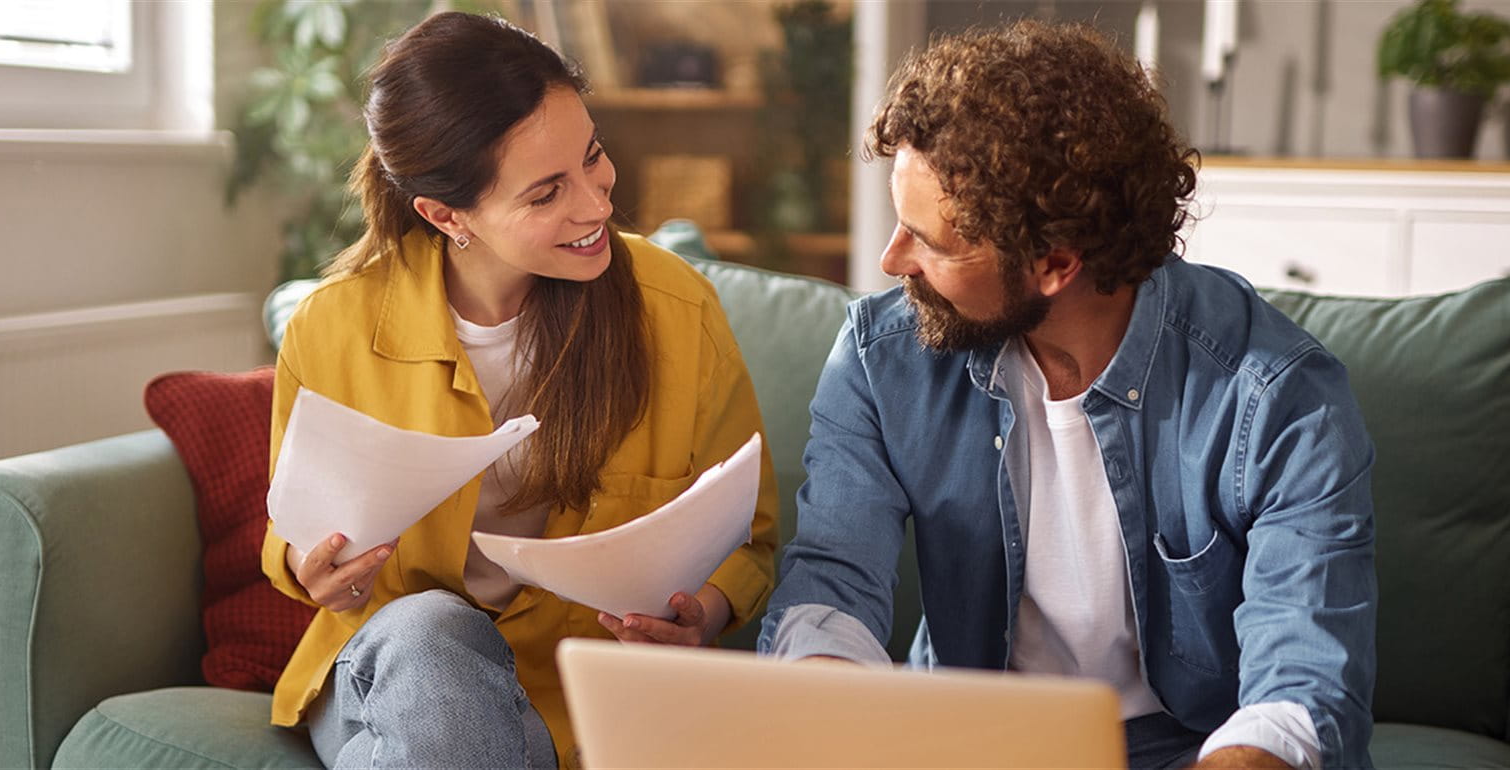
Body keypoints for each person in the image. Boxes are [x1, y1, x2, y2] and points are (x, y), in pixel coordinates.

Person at [760, 20, 1375, 770]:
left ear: (1054, 263)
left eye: (934, 243)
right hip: (960, 743)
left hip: (1192, 752)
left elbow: (1302, 687)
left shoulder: (1277, 396)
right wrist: (840, 721)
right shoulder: (880, 357)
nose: (894, 262)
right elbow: (832, 584)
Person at [260, 12, 777, 769]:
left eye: (593, 158)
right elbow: (293, 531)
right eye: (545, 194)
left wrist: (705, 612)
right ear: (445, 216)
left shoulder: (677, 308)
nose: (597, 204)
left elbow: (750, 537)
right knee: (432, 635)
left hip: (582, 690)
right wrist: (316, 570)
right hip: (394, 672)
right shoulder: (331, 329)